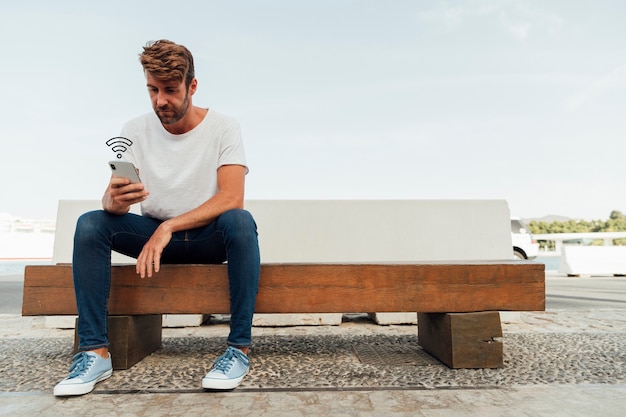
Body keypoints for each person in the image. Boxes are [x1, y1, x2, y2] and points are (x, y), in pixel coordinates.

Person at [53, 40, 261, 396]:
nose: (160, 100)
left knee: (240, 222)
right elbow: (113, 201)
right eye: (152, 89)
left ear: (192, 87)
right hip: (151, 239)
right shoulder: (133, 129)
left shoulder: (224, 127)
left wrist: (169, 226)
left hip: (205, 237)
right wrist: (114, 201)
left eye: (170, 90)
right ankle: (95, 353)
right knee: (90, 223)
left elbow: (232, 197)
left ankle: (238, 349)